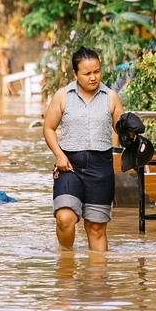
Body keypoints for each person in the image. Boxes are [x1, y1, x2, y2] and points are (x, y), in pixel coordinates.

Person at [42, 47, 127, 252]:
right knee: (65, 218)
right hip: (68, 166)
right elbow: (48, 128)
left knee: (96, 228)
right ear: (75, 74)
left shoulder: (111, 97)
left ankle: (96, 280)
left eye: (96, 71)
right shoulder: (63, 96)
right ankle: (66, 259)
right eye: (87, 73)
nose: (93, 77)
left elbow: (121, 130)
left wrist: (130, 131)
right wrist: (59, 155)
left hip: (101, 168)